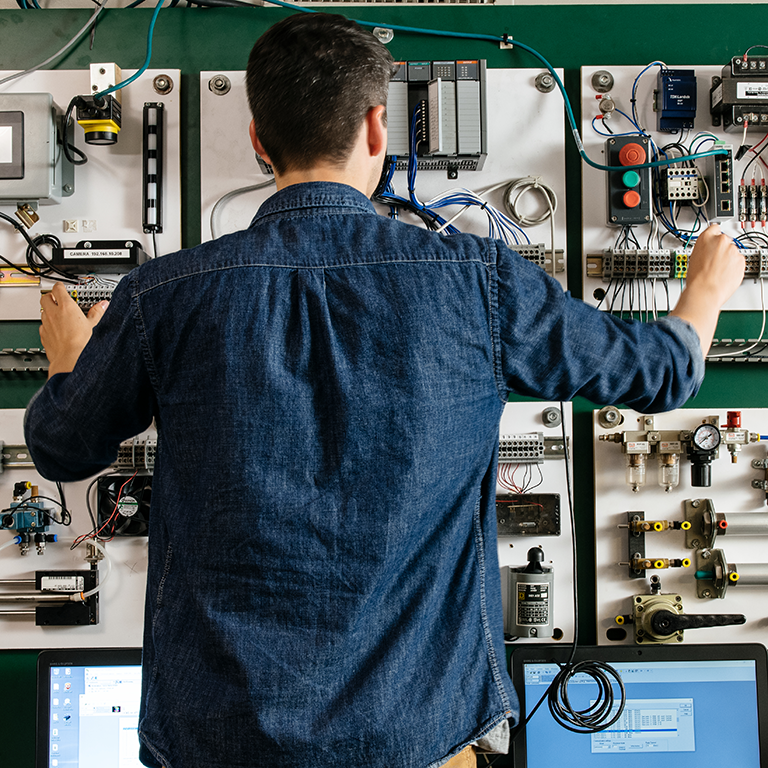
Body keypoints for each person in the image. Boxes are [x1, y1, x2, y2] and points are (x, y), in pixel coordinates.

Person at [25, 12, 744, 768]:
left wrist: (70, 362)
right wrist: (704, 289)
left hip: (221, 742)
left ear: (259, 141)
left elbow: (62, 448)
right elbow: (659, 373)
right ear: (378, 128)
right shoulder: (479, 282)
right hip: (421, 741)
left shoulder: (162, 296)